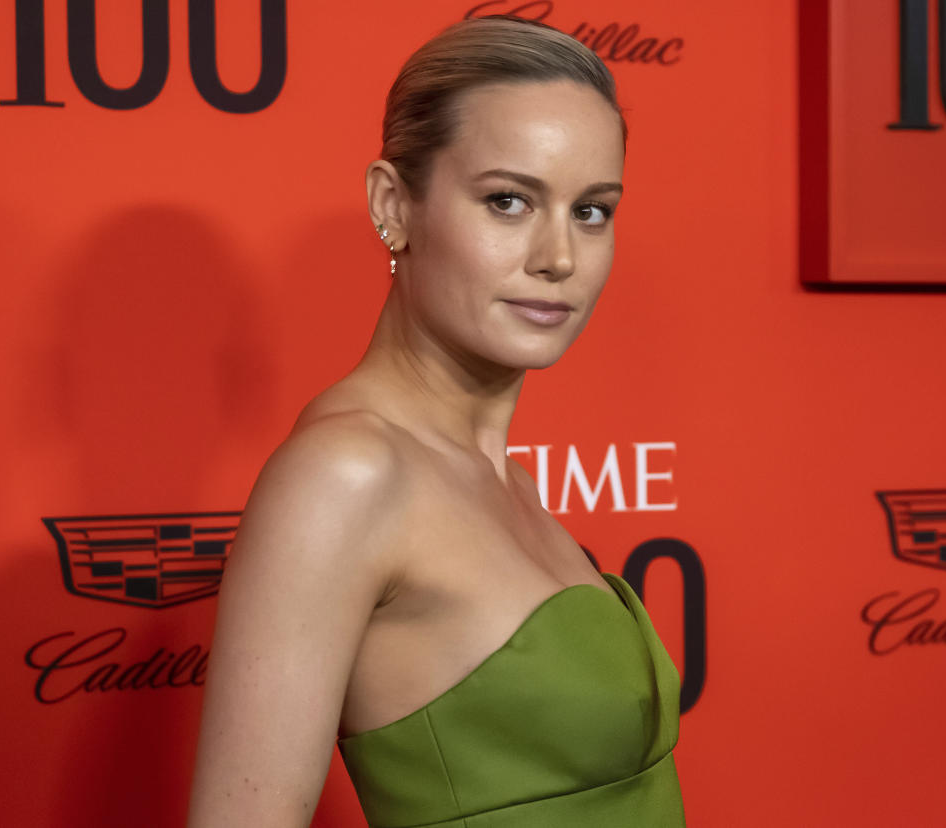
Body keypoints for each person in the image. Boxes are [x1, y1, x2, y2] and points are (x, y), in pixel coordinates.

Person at [188, 15, 684, 828]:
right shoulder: (346, 475)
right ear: (394, 205)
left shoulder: (503, 476)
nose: (558, 256)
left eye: (592, 211)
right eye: (509, 201)